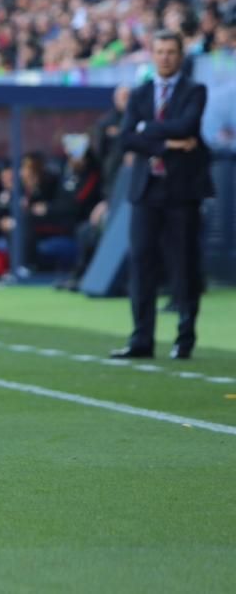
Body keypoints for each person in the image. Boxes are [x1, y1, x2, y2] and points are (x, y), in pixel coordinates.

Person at [110, 30, 214, 360]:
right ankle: (142, 339)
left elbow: (188, 125)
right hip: (146, 191)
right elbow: (126, 138)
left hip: (181, 192)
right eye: (160, 51)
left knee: (184, 265)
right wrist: (168, 144)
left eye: (171, 51)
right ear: (152, 55)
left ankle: (184, 339)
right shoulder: (140, 94)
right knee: (141, 264)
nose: (165, 57)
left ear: (180, 55)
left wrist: (147, 130)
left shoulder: (195, 90)